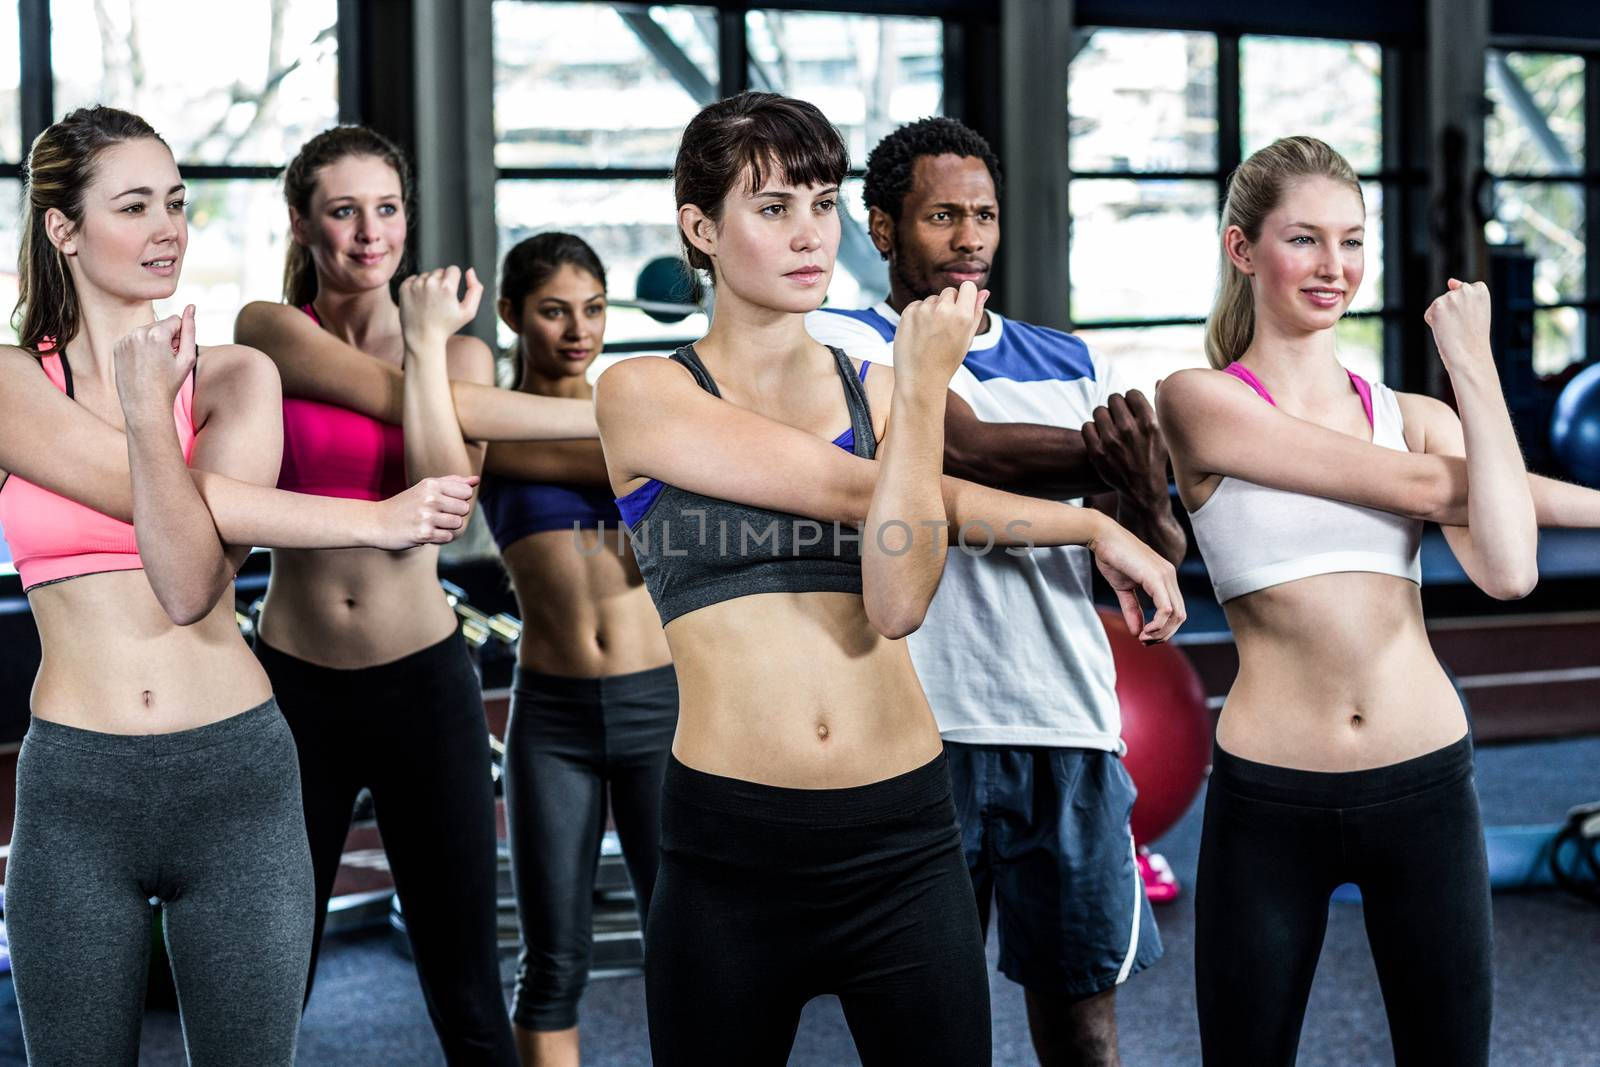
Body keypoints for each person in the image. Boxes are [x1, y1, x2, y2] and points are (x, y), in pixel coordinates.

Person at [594, 90, 1184, 1067]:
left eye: (821, 204)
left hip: (902, 833)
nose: (808, 234)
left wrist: (1086, 520)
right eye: (773, 207)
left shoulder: (872, 387)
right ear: (699, 227)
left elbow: (901, 591)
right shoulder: (644, 391)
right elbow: (849, 484)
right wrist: (929, 397)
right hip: (734, 844)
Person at [0, 106, 473, 1067]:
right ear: (64, 227)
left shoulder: (238, 377)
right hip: (75, 789)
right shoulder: (10, 382)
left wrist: (151, 416)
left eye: (175, 202)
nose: (168, 227)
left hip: (237, 779)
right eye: (134, 206)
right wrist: (368, 518)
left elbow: (185, 580)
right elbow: (171, 497)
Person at [1154, 134, 1600, 1067]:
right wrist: (1477, 455)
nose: (1335, 267)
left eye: (1353, 241)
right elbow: (1428, 490)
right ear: (1242, 248)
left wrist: (1469, 370)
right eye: (1305, 239)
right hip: (1270, 798)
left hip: (1425, 778)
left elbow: (1511, 564)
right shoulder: (1200, 403)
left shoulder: (1419, 418)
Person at [807, 115, 1186, 1067]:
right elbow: (956, 445)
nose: (970, 236)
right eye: (942, 215)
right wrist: (1129, 452)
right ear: (884, 227)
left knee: (1086, 1030)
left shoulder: (1071, 360)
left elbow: (1148, 548)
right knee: (927, 1030)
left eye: (983, 214)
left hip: (1067, 723)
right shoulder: (838, 338)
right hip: (918, 727)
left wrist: (1143, 485)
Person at [233, 126, 593, 1066]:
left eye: (386, 209)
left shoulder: (462, 356)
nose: (368, 234)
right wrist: (429, 369)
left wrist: (433, 346)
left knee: (465, 988)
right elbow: (391, 404)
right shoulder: (269, 334)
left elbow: (443, 500)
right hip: (291, 688)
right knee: (271, 975)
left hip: (422, 685)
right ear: (302, 222)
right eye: (343, 211)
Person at [482, 233, 676, 1067]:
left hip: (661, 708)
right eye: (554, 310)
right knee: (554, 959)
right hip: (553, 717)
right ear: (512, 314)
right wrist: (650, 455)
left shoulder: (633, 413)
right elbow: (601, 455)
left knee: (687, 949)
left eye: (593, 309)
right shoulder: (485, 425)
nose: (577, 329)